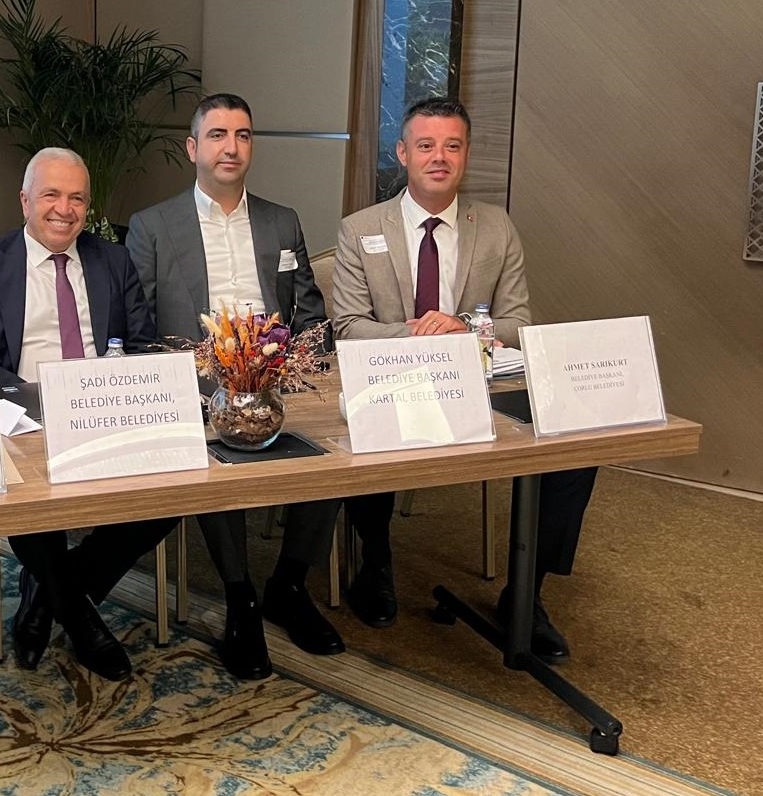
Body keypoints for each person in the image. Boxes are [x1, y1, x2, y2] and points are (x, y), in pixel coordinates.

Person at [332, 96, 597, 663]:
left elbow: (519, 324)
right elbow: (349, 328)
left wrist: (464, 327)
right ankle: (375, 561)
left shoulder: (496, 227)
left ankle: (526, 591)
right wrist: (421, 333)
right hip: (394, 378)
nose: (439, 157)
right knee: (368, 426)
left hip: (479, 382)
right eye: (425, 145)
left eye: (452, 146)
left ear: (466, 155)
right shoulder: (361, 229)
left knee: (576, 442)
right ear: (403, 153)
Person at [127, 93, 344, 681]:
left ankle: (289, 584)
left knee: (335, 445)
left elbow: (308, 311)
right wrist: (193, 376)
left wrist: (301, 366)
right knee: (214, 452)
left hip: (278, 375)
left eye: (243, 135)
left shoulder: (281, 220)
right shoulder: (152, 225)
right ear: (192, 148)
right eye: (218, 135)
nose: (232, 147)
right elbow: (140, 328)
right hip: (197, 381)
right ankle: (240, 594)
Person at [0, 147, 176, 681]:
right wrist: (35, 404)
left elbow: (142, 344)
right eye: (51, 195)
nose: (64, 209)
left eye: (77, 197)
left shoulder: (113, 261)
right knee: (30, 496)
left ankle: (47, 596)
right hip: (23, 420)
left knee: (175, 489)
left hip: (107, 411)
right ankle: (80, 620)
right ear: (25, 200)